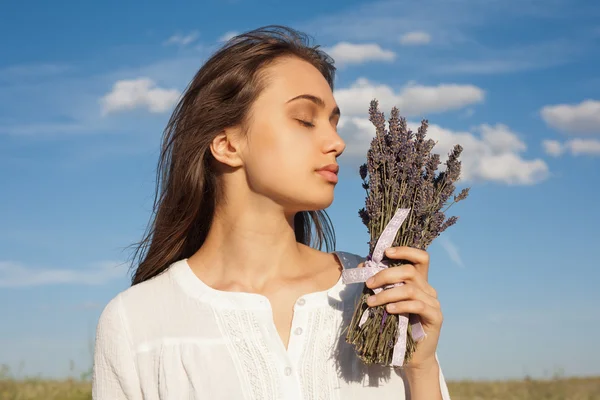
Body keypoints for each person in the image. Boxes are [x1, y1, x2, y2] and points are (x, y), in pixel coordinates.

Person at [92, 25, 452, 399]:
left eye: (333, 122)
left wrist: (420, 367)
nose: (337, 142)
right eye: (305, 119)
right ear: (227, 144)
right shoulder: (137, 321)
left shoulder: (377, 297)